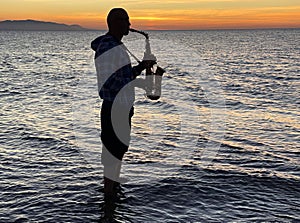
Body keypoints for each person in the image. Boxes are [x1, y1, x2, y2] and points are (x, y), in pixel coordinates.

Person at [91, 8, 150, 195]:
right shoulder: (109, 47)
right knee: (112, 153)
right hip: (114, 108)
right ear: (116, 22)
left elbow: (123, 75)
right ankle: (108, 198)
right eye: (126, 20)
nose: (130, 25)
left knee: (118, 150)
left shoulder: (116, 45)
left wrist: (141, 67)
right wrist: (140, 83)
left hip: (122, 108)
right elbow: (111, 81)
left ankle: (114, 187)